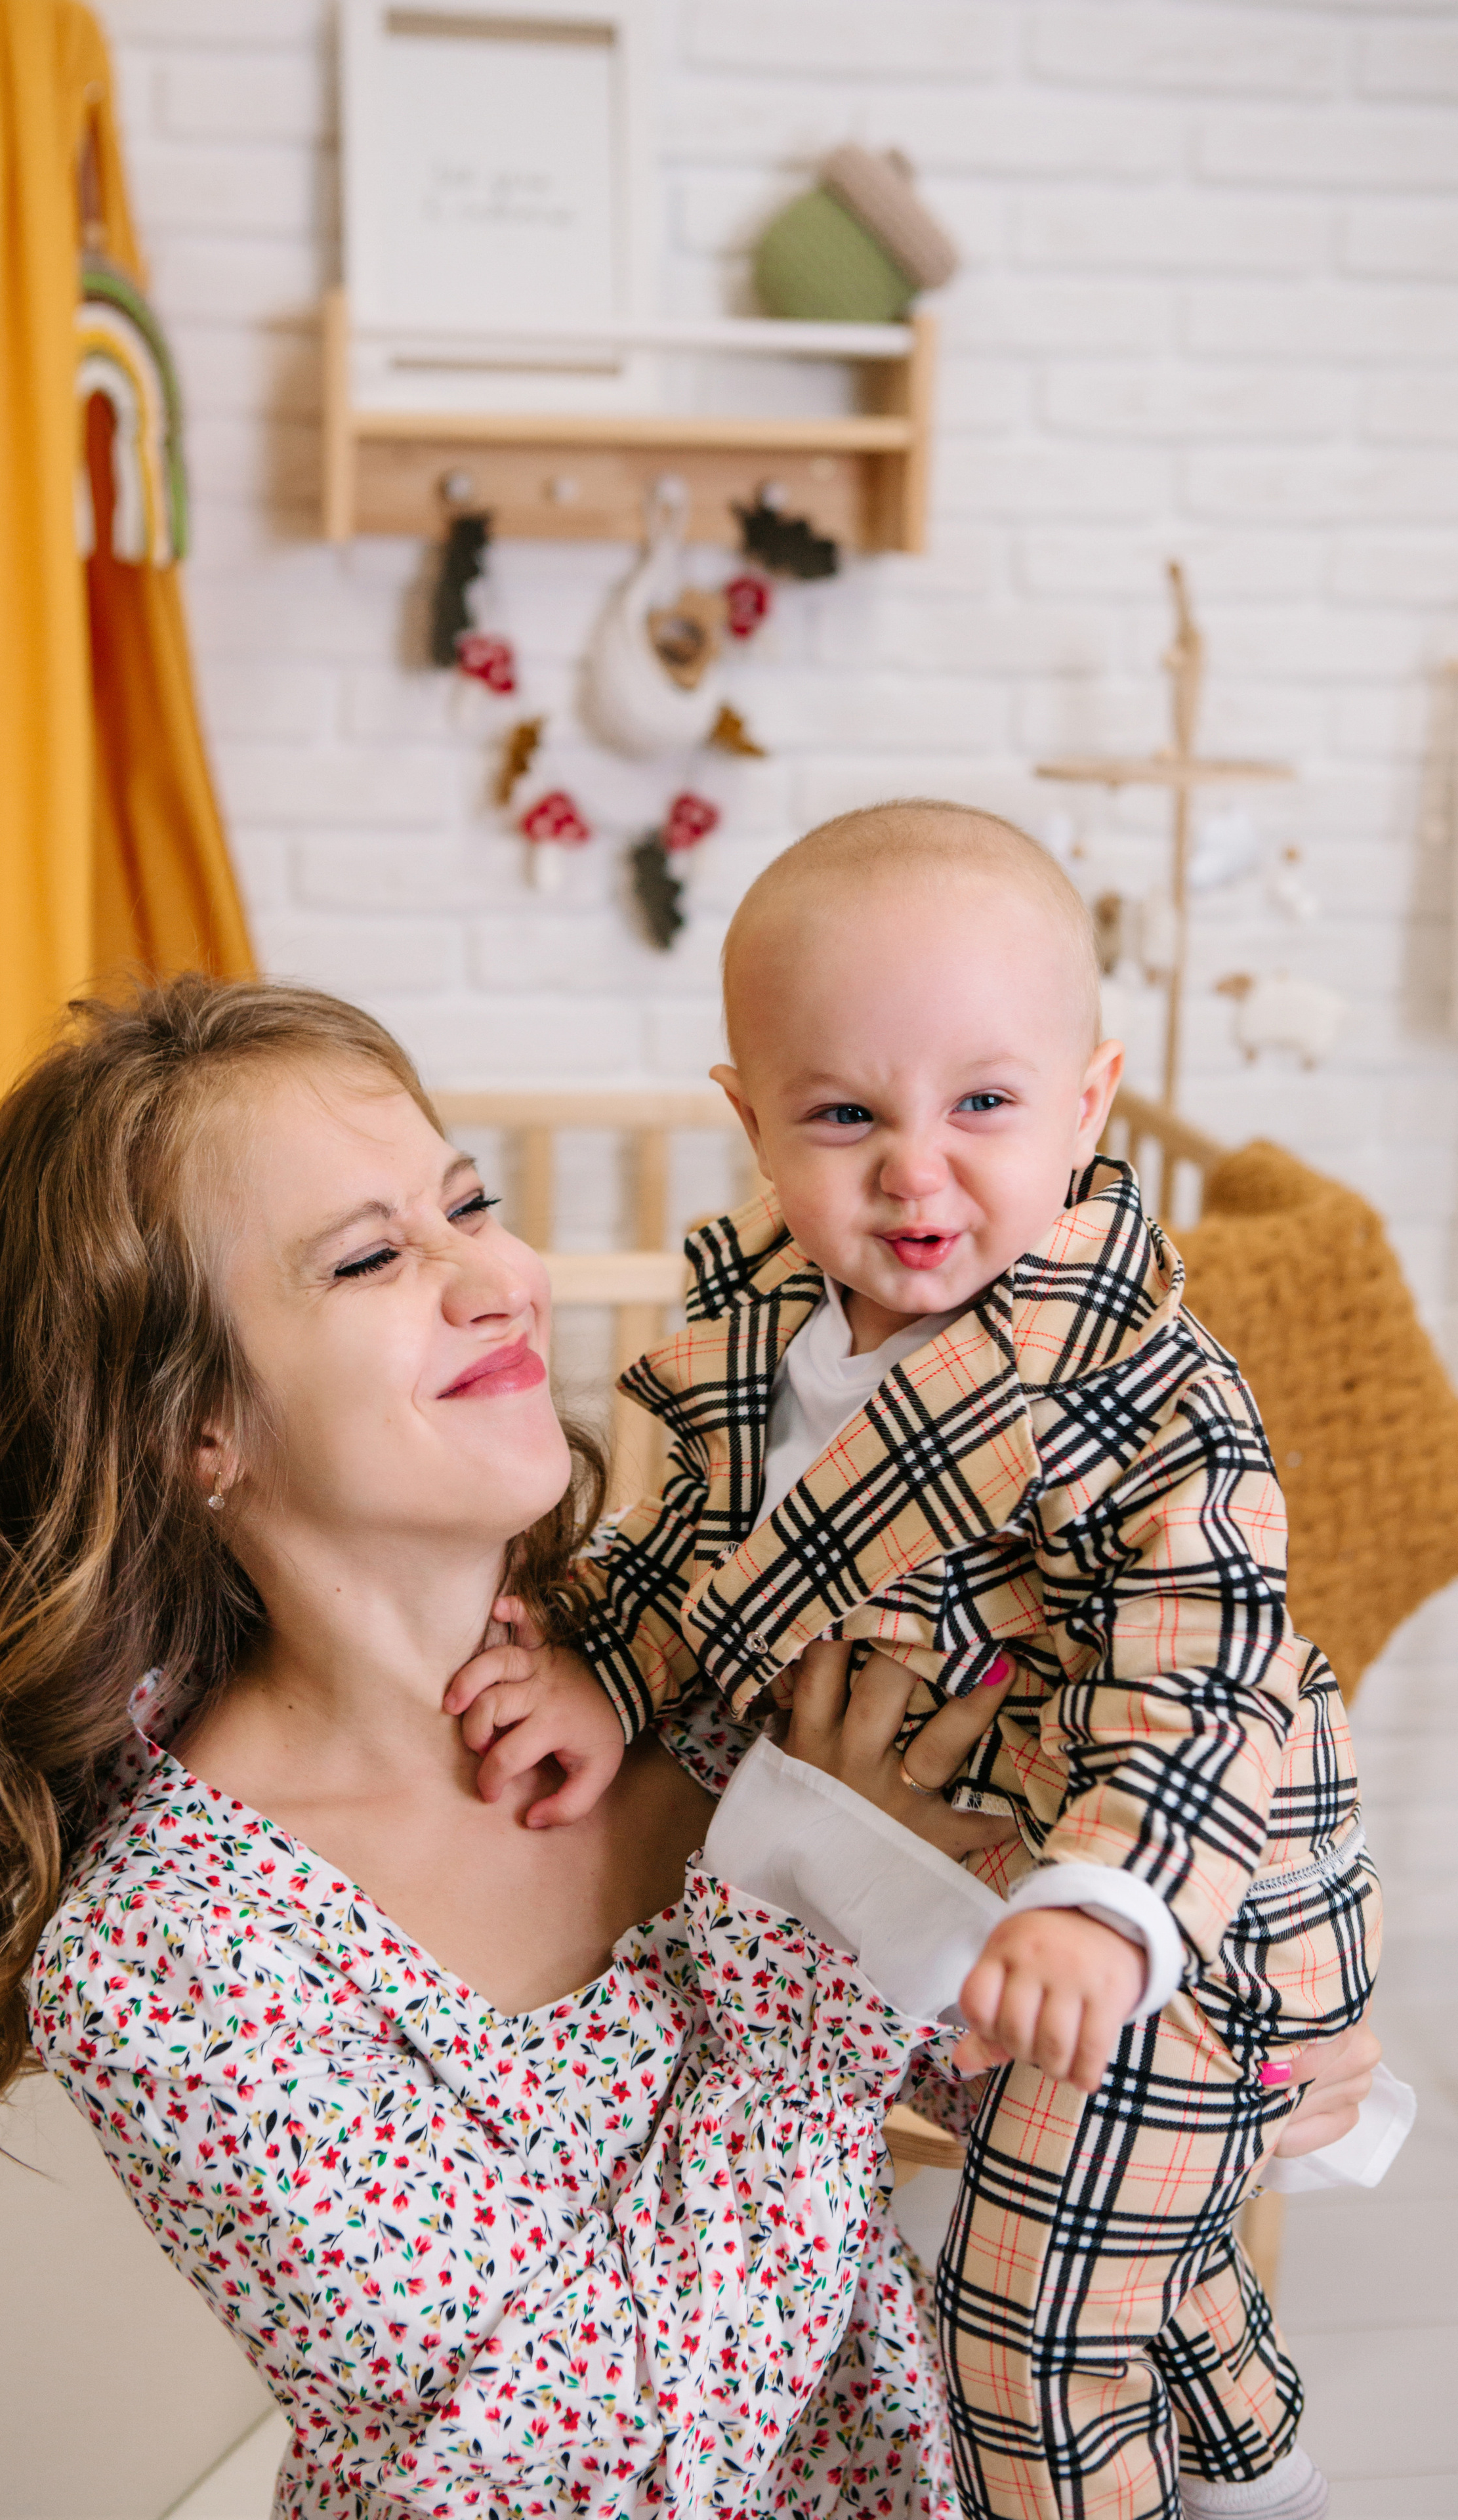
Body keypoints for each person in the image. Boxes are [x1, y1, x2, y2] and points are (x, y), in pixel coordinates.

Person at [445, 804, 1394, 2520]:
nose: (913, 1168)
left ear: (1088, 1105)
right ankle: (1270, 2477)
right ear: (752, 1124)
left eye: (984, 1103)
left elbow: (1201, 1669)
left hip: (1172, 1916)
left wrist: (1103, 1904)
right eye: (842, 1113)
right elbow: (689, 1570)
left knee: (1028, 2327)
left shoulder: (1140, 1387)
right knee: (1153, 2272)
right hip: (934, 1888)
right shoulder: (746, 1345)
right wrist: (607, 1678)